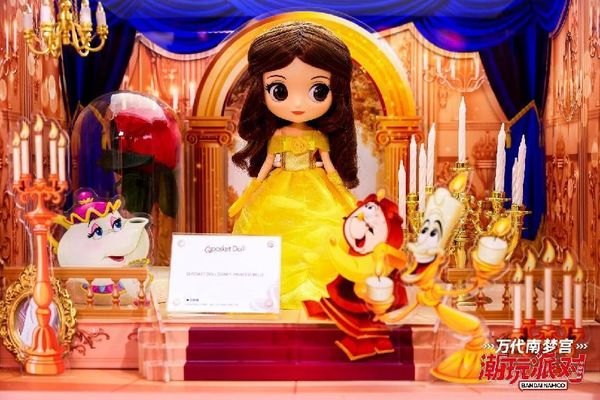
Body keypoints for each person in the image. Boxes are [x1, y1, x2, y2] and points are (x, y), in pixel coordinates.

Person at [229, 21, 358, 309]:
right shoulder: (278, 135)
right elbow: (267, 164)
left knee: (325, 233)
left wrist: (342, 192)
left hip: (317, 186)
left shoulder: (318, 136)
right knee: (269, 232)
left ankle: (323, 294)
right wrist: (252, 190)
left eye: (318, 91)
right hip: (279, 185)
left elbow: (329, 166)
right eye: (279, 90)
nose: (298, 104)